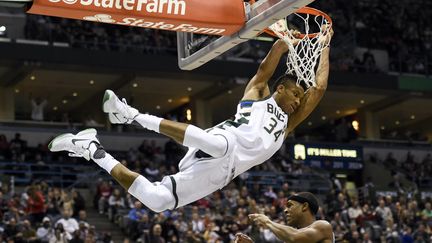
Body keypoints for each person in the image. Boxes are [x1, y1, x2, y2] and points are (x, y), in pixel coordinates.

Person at [49, 28, 333, 213]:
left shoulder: (288, 125)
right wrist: (280, 47)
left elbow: (318, 91)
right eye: (295, 93)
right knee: (219, 144)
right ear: (280, 89)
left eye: (300, 98)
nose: (298, 101)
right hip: (222, 141)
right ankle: (129, 114)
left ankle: (90, 148)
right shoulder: (259, 96)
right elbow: (262, 72)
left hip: (222, 172)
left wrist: (325, 47)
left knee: (159, 202)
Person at [235, 192, 334, 243]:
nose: (285, 210)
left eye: (290, 205)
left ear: (304, 206)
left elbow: (294, 236)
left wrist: (267, 221)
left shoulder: (323, 226)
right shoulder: (290, 237)